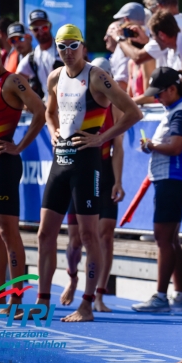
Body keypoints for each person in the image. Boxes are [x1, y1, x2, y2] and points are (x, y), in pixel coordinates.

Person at [36, 25, 142, 323]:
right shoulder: (55, 76)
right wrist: (53, 130)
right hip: (60, 162)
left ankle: (87, 304)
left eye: (73, 46)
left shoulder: (97, 76)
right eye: (62, 47)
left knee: (88, 235)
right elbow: (49, 112)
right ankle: (43, 300)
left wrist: (101, 137)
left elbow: (134, 112)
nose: (68, 52)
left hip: (87, 163)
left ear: (83, 46)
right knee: (45, 234)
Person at [0, 34, 46, 316]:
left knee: (7, 231)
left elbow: (40, 111)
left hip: (4, 164)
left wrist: (19, 146)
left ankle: (16, 299)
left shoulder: (12, 81)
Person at [59, 57, 126, 313]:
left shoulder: (114, 105)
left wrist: (118, 181)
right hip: (81, 171)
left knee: (105, 235)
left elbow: (118, 147)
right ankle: (72, 276)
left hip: (104, 172)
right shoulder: (81, 99)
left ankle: (99, 293)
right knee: (76, 239)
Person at [132, 67, 182, 313]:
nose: (156, 98)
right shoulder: (176, 110)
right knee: (170, 240)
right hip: (173, 178)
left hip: (173, 178)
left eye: (159, 93)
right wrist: (153, 145)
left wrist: (151, 145)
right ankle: (178, 297)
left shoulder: (180, 112)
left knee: (162, 238)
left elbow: (176, 147)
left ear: (172, 89)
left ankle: (161, 297)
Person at [16, 9, 62, 100]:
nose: (40, 32)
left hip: (70, 102)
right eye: (36, 29)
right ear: (31, 30)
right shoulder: (32, 58)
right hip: (47, 104)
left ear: (50, 26)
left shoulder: (64, 49)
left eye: (44, 27)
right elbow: (16, 81)